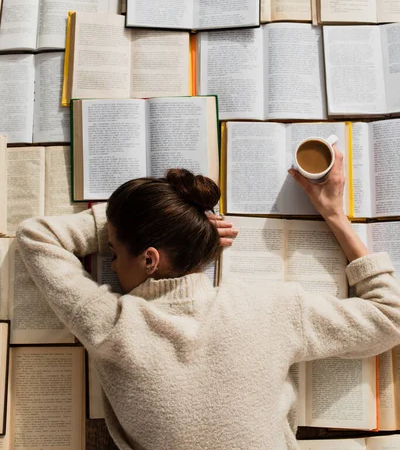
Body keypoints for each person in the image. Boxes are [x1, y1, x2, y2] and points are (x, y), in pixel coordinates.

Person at [16, 147, 400, 450]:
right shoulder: (272, 309)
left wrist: (133, 221)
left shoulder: (113, 326)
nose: (113, 266)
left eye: (114, 252)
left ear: (150, 259)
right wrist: (334, 214)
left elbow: (37, 236)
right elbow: (390, 317)